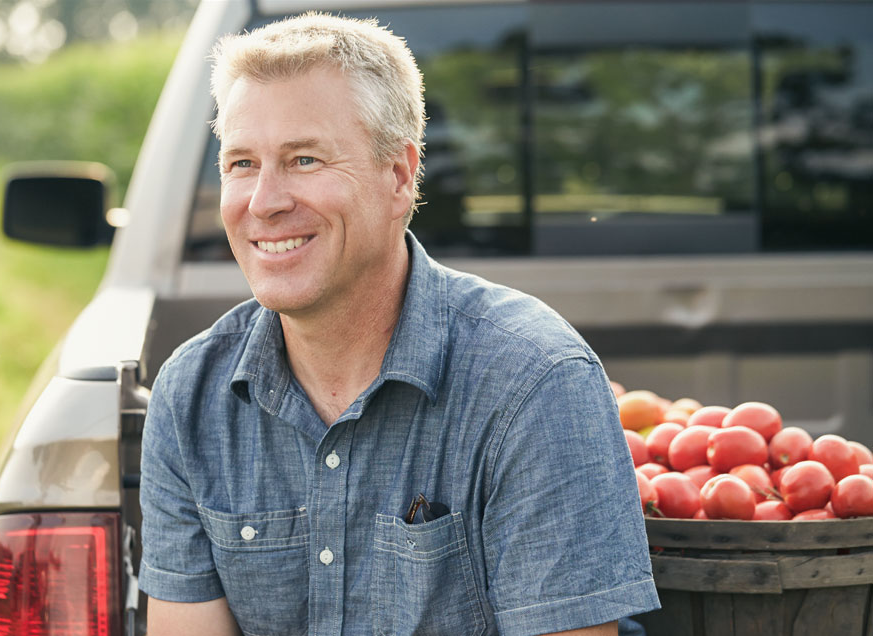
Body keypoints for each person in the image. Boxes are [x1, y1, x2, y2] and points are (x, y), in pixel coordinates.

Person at [139, 12, 660, 636]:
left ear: (399, 176)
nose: (264, 202)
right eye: (242, 163)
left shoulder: (535, 384)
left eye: (304, 159)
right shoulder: (190, 395)